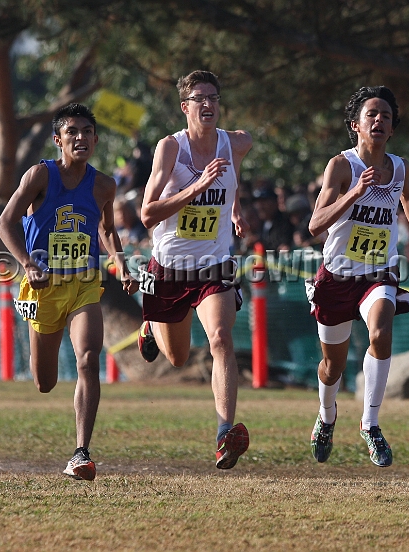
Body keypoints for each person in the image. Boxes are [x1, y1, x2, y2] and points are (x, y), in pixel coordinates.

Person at [0, 103, 138, 481]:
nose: (80, 138)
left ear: (95, 139)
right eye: (72, 132)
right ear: (58, 140)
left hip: (84, 283)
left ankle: (81, 453)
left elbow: (107, 230)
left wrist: (120, 263)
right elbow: (4, 224)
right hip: (42, 285)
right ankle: (44, 368)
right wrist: (27, 264)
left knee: (88, 359)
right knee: (45, 382)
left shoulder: (105, 184)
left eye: (87, 132)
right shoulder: (40, 176)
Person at [306, 86, 409, 468]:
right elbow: (315, 224)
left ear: (392, 130)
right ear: (355, 125)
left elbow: (408, 198)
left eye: (386, 116)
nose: (379, 120)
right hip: (337, 277)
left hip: (378, 272)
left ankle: (370, 424)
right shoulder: (341, 167)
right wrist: (354, 193)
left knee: (380, 332)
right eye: (371, 114)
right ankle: (326, 416)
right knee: (333, 366)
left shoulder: (400, 167)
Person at [137, 70, 252, 470]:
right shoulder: (170, 149)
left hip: (214, 265)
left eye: (214, 98)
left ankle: (224, 433)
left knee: (220, 339)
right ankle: (149, 326)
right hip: (170, 267)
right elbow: (147, 215)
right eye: (199, 98)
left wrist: (234, 207)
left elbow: (235, 176)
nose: (208, 104)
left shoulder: (236, 142)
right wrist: (196, 188)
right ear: (185, 107)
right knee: (179, 357)